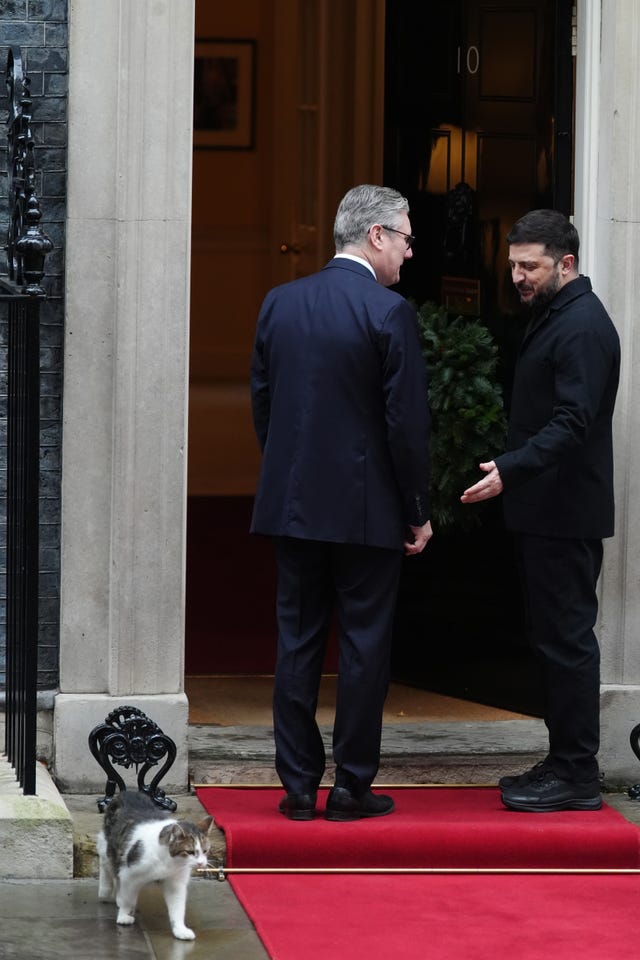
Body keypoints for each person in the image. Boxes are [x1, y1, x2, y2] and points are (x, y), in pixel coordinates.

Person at [250, 184, 433, 822]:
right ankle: (351, 788)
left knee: (297, 642)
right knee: (363, 647)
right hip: (367, 513)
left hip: (295, 506)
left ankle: (298, 785)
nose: (410, 252)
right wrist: (418, 508)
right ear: (376, 235)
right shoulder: (389, 313)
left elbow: (264, 409)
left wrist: (290, 477)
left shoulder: (280, 303)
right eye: (407, 238)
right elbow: (405, 426)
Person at [461, 209, 620, 813]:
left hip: (563, 513)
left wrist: (512, 468)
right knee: (553, 640)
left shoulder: (580, 325)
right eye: (514, 266)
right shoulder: (556, 314)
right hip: (547, 511)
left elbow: (574, 421)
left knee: (566, 642)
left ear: (567, 264)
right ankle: (564, 760)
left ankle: (577, 772)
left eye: (531, 267)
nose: (519, 278)